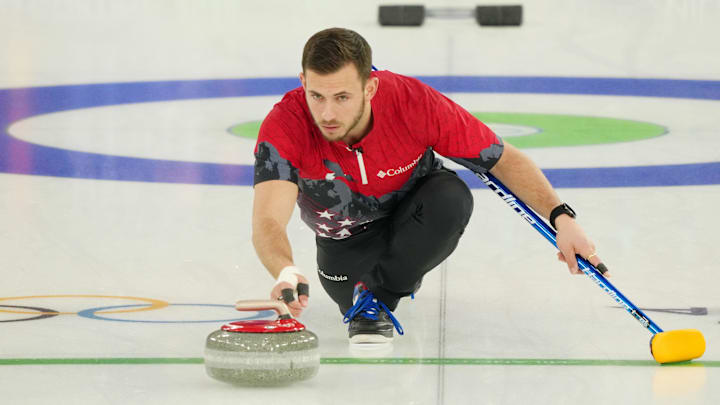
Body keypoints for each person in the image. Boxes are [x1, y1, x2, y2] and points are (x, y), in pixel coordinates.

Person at [252, 27, 607, 344]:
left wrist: (562, 217)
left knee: (450, 198)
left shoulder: (412, 102)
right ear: (303, 83)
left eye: (342, 97)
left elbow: (502, 159)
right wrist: (285, 269)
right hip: (345, 240)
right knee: (350, 289)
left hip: (416, 211)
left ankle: (386, 290)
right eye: (317, 96)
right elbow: (268, 219)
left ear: (370, 86)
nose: (327, 114)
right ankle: (376, 285)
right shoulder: (286, 125)